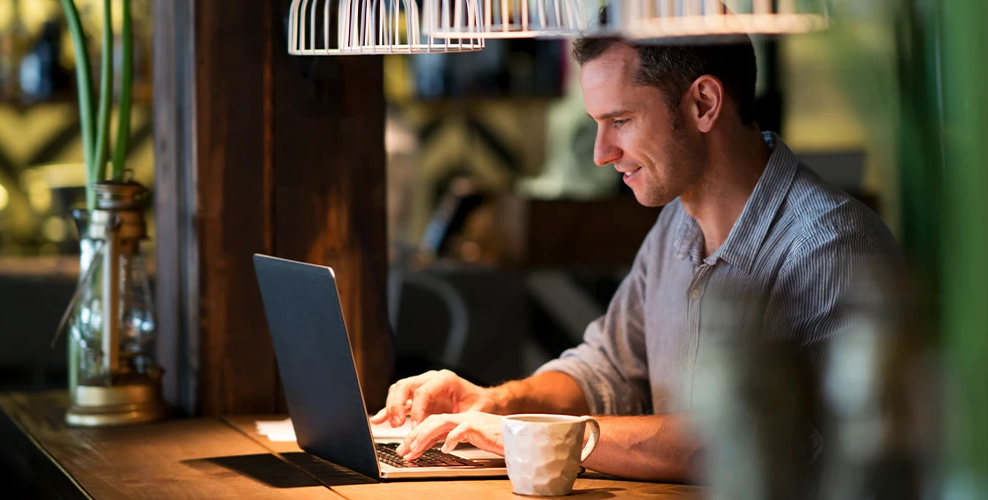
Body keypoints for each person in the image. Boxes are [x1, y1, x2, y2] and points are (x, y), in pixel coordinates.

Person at [377, 31, 901, 483]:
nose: (601, 152)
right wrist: (493, 403)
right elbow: (606, 370)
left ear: (703, 104)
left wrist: (534, 434)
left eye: (620, 120)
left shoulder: (832, 248)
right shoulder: (677, 222)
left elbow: (759, 443)